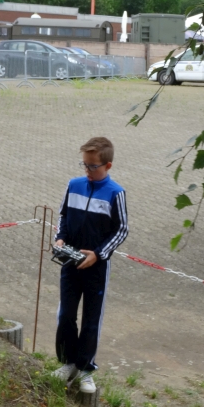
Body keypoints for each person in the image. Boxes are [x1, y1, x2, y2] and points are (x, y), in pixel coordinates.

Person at [51, 137, 129, 393]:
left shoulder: (116, 193)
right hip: (70, 263)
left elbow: (121, 230)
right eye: (84, 165)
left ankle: (86, 369)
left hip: (96, 268)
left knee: (91, 320)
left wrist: (98, 254)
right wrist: (60, 239)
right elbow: (63, 217)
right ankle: (67, 363)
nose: (87, 171)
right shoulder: (74, 185)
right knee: (65, 316)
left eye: (93, 166)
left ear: (108, 165)